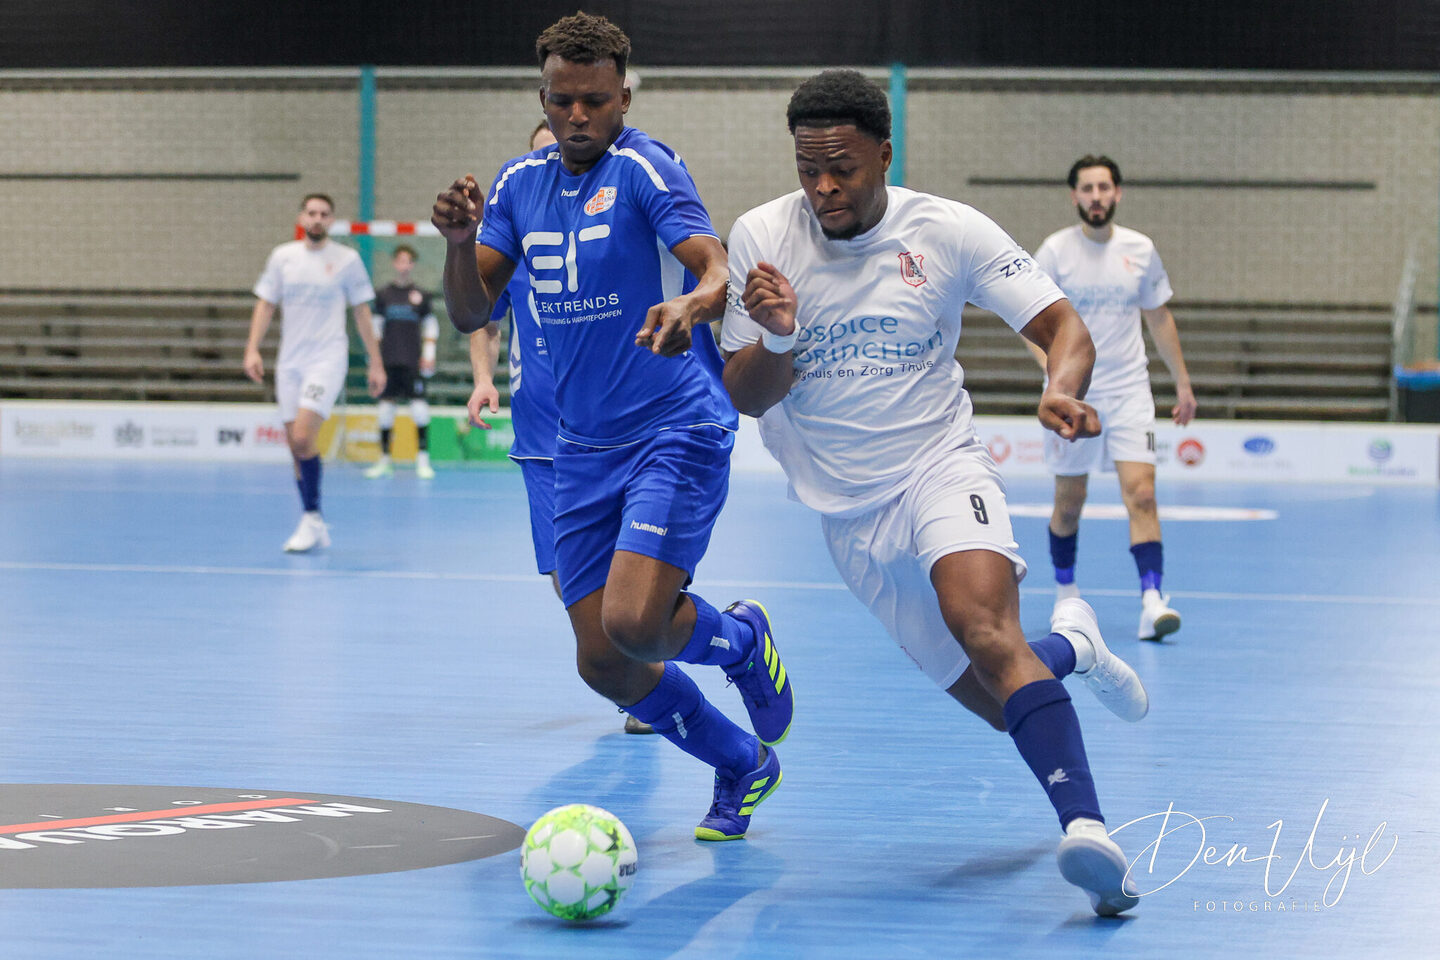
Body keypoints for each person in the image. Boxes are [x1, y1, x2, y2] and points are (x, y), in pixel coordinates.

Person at [721, 69, 1149, 915]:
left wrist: (1060, 387)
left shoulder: (947, 230)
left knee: (985, 629)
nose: (823, 187)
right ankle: (1075, 647)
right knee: (1000, 700)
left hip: (938, 466)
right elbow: (747, 396)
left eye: (842, 167)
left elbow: (1061, 324)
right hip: (846, 514)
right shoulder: (762, 237)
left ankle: (1092, 836)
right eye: (808, 169)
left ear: (885, 155)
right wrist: (778, 336)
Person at [434, 12, 791, 840]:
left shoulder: (645, 167)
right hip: (580, 446)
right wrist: (457, 242)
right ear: (543, 98)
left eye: (595, 100)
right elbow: (471, 310)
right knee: (602, 659)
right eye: (562, 100)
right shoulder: (517, 184)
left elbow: (714, 264)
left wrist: (694, 304)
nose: (577, 116)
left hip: (674, 426)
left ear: (623, 97)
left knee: (634, 624)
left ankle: (740, 642)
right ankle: (743, 762)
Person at [469, 118, 653, 736]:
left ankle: (645, 684)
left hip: (612, 430)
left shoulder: (609, 240)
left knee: (635, 569)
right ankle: (630, 674)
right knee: (566, 578)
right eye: (541, 154)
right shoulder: (513, 246)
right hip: (541, 434)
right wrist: (483, 379)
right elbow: (483, 320)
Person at [1029, 155, 1197, 641]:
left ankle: (1152, 601)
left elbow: (1159, 318)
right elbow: (1029, 320)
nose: (1096, 196)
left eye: (1104, 187)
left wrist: (1182, 383)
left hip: (1129, 391)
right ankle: (1065, 594)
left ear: (1117, 193)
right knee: (1069, 503)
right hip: (1072, 395)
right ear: (1074, 196)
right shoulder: (1055, 251)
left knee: (1142, 494)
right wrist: (1054, 377)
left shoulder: (1140, 249)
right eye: (1087, 188)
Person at [245, 193, 385, 552]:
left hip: (327, 358)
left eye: (324, 213)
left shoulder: (347, 260)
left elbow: (362, 313)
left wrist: (376, 361)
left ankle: (311, 517)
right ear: (301, 218)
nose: (317, 218)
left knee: (304, 437)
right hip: (290, 362)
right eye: (311, 213)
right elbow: (266, 304)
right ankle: (313, 519)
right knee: (295, 446)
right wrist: (252, 348)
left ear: (331, 220)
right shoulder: (283, 257)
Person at [366, 245, 440, 480]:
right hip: (388, 361)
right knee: (385, 411)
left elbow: (430, 326)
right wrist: (375, 361)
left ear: (413, 265)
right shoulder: (383, 295)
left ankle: (423, 460)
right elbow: (375, 329)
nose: (404, 265)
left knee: (420, 410)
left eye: (408, 261)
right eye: (400, 260)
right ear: (394, 263)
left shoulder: (422, 295)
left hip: (412, 361)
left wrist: (429, 354)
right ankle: (384, 460)